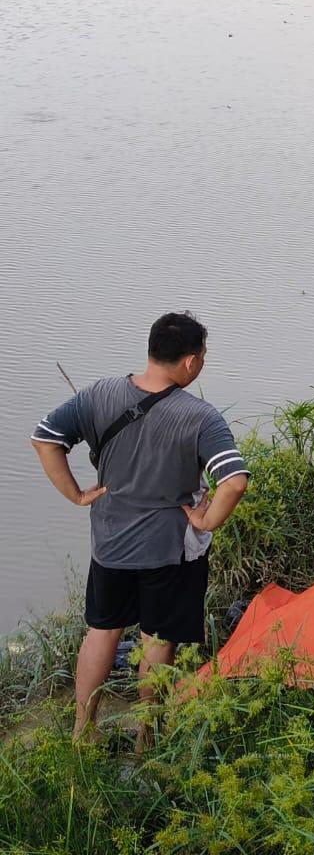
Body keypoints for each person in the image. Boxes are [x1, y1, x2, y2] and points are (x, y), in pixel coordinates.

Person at [30, 312, 250, 744]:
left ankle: (82, 733)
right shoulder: (201, 417)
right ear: (190, 362)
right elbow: (235, 481)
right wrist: (206, 519)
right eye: (202, 356)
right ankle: (146, 735)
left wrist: (76, 495)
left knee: (102, 631)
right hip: (170, 550)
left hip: (110, 544)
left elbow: (44, 437)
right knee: (158, 638)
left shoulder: (99, 394)